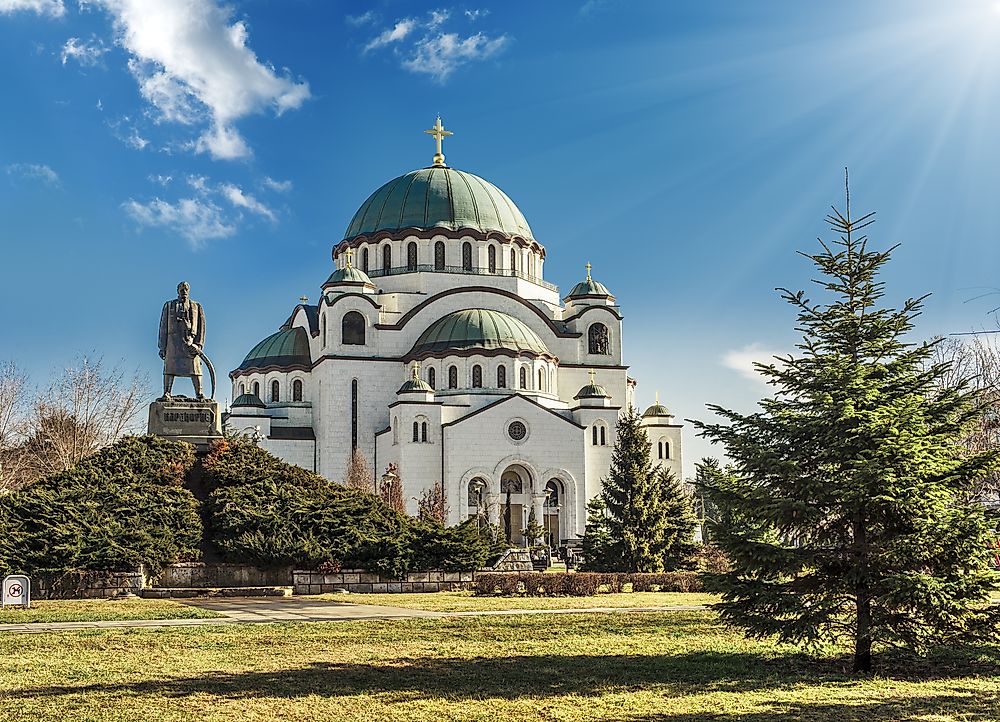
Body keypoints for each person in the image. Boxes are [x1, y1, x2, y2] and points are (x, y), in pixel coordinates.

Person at [158, 281, 206, 400]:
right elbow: (163, 326)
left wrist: (198, 345)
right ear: (178, 291)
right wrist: (162, 347)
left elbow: (202, 327)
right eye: (181, 290)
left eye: (186, 289)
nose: (184, 292)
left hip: (190, 342)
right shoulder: (169, 306)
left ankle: (199, 393)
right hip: (173, 342)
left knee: (195, 369)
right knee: (170, 368)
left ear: (188, 291)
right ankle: (167, 392)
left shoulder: (196, 306)